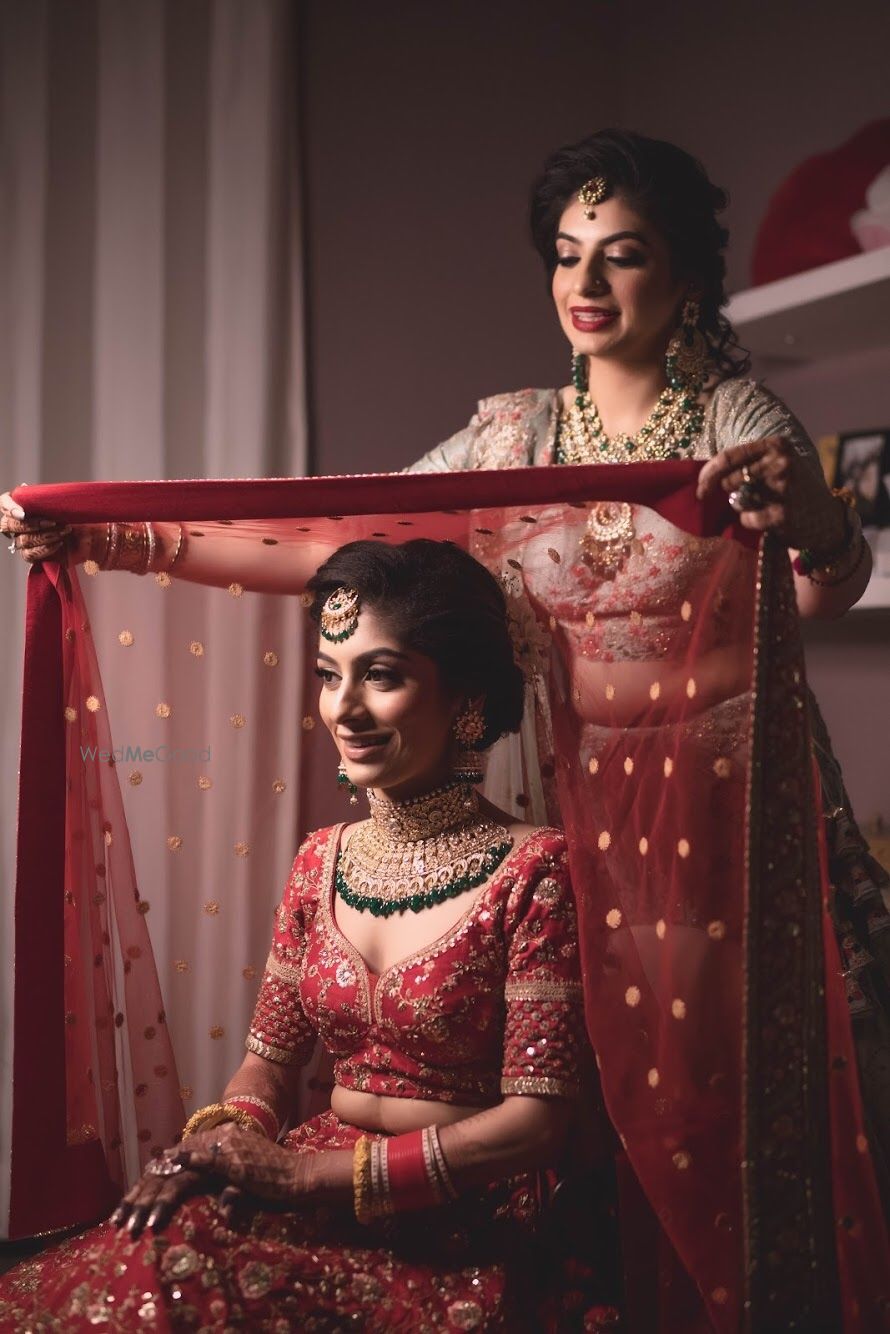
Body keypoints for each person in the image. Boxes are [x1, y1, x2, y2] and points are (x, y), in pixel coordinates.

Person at [3, 129, 886, 1197]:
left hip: (720, 805)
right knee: (593, 1107)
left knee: (723, 1108)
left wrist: (818, 523)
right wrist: (118, 538)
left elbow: (808, 591)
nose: (586, 281)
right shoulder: (510, 434)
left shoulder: (732, 421)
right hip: (581, 798)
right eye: (565, 253)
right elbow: (334, 540)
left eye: (623, 252)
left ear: (688, 275)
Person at [0, 538, 621, 1331]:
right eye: (331, 675)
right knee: (144, 1263)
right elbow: (266, 1063)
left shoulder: (534, 870)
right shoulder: (320, 860)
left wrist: (304, 1178)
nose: (344, 709)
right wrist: (221, 1148)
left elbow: (535, 1125)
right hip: (315, 1178)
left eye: (382, 676)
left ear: (465, 698)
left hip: (470, 1217)